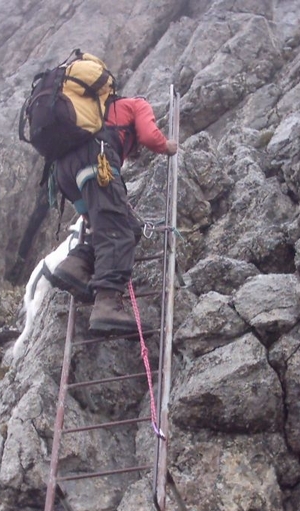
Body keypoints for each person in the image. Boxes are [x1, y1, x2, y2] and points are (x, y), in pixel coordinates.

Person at [50, 89, 178, 336]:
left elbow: (93, 214)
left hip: (64, 171)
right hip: (95, 159)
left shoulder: (85, 121)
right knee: (118, 233)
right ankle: (107, 303)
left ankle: (75, 265)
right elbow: (150, 136)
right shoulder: (136, 104)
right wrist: (168, 146)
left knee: (126, 226)